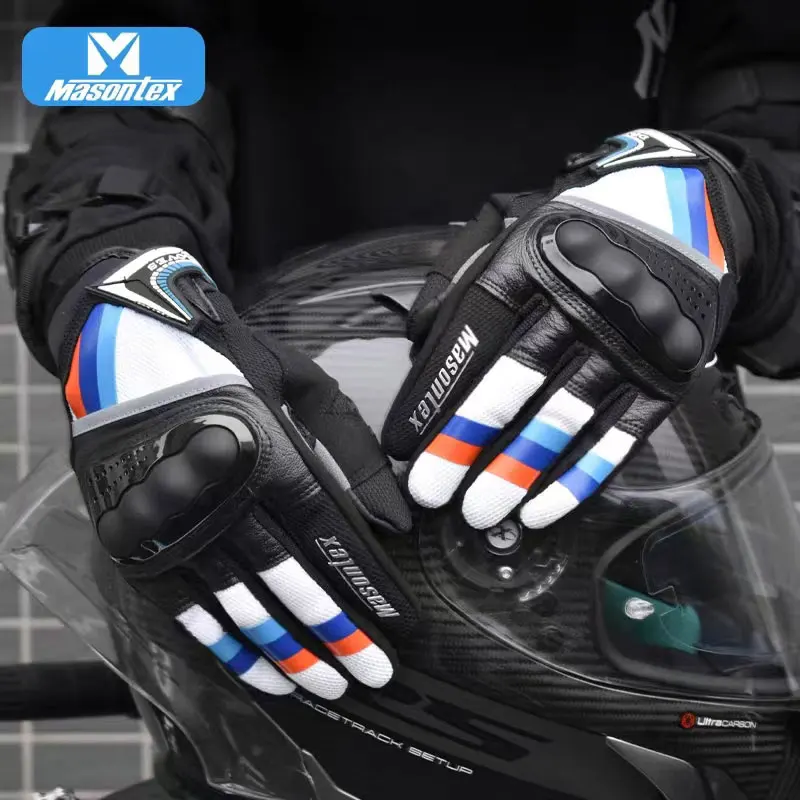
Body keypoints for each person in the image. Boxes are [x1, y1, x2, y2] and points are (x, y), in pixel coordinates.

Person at [3, 0, 800, 796]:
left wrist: (730, 201)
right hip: (271, 455)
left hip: (635, 423)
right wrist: (109, 280)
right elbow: (109, 77)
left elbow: (774, 92)